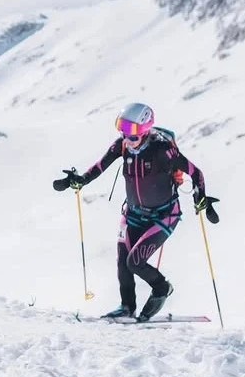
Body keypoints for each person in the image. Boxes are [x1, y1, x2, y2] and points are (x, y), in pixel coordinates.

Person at [52, 103, 220, 321]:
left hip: (163, 216)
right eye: (122, 129)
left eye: (131, 132)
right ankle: (127, 308)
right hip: (132, 214)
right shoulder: (122, 146)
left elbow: (195, 172)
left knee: (135, 262)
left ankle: (161, 289)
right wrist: (79, 180)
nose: (126, 137)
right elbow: (100, 166)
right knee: (123, 262)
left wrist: (201, 195)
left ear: (144, 129)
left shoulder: (162, 151)